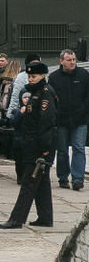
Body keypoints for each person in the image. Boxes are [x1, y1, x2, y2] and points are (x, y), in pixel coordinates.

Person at [0, 62, 58, 229]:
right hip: (32, 142)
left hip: (38, 145)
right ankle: (45, 217)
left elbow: (47, 123)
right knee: (43, 182)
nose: (30, 79)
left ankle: (16, 219)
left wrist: (45, 148)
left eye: (34, 77)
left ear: (42, 76)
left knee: (29, 182)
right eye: (29, 76)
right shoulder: (35, 92)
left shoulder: (45, 94)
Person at [47, 48, 89, 191]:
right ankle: (63, 177)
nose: (72, 62)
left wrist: (85, 110)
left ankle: (77, 179)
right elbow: (51, 99)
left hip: (80, 119)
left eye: (74, 60)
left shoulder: (84, 75)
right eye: (69, 60)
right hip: (61, 119)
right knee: (62, 150)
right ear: (61, 61)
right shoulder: (54, 77)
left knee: (78, 148)